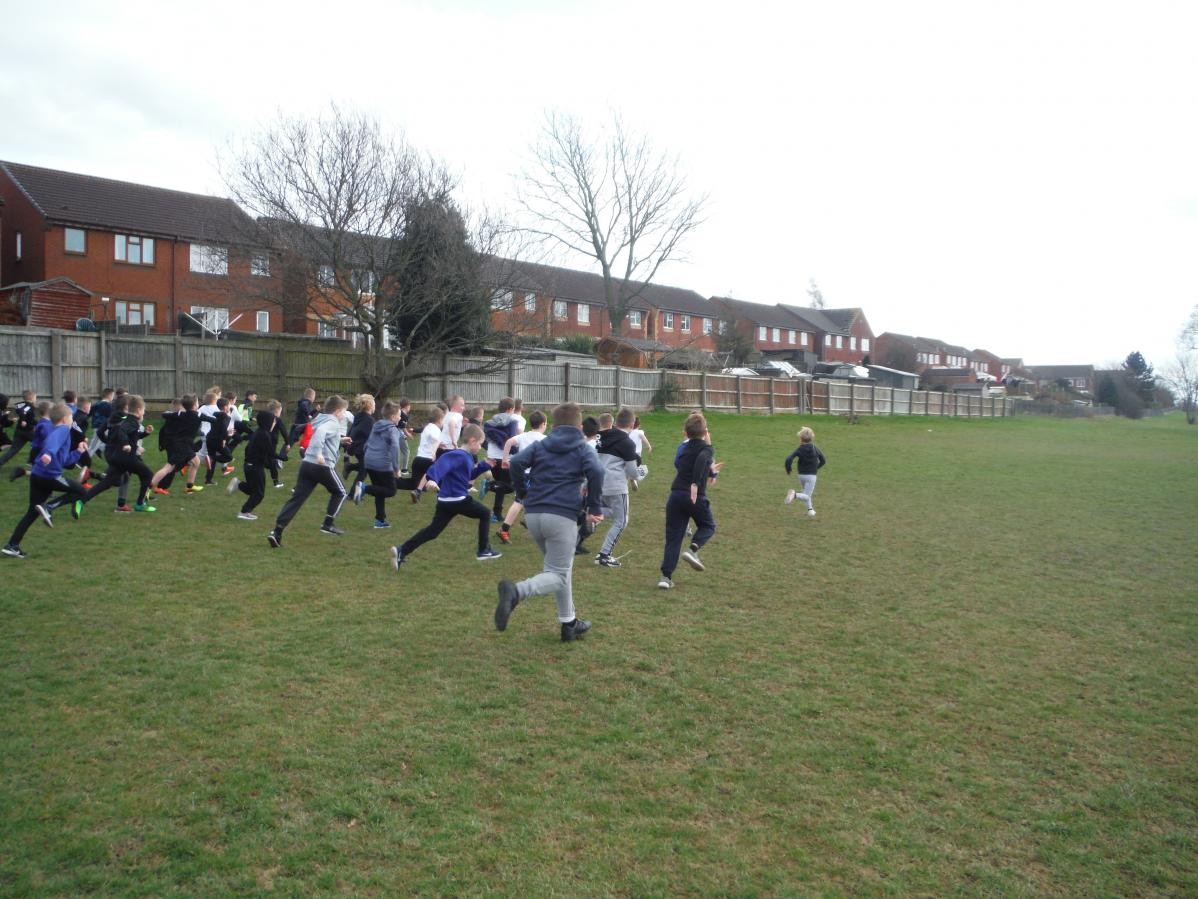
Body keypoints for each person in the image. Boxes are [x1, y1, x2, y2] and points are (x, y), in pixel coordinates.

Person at [493, 402, 604, 643]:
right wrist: (594, 507)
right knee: (558, 574)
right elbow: (597, 472)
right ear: (579, 426)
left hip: (533, 516)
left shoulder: (542, 444)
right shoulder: (582, 447)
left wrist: (523, 493)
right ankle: (516, 592)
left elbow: (516, 463)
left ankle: (569, 623)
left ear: (553, 425)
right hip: (561, 516)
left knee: (561, 568)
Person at [389, 423, 501, 569]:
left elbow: (468, 476)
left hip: (446, 501)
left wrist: (484, 466)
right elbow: (440, 465)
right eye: (480, 444)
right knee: (485, 513)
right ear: (472, 441)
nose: (480, 447)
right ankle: (483, 550)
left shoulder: (466, 457)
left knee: (432, 532)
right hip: (457, 499)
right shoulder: (458, 455)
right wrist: (433, 479)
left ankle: (401, 551)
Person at [2, 403, 91, 558]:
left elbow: (65, 461)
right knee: (81, 492)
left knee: (32, 512)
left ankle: (12, 545)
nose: (73, 419)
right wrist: (49, 453)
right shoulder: (63, 430)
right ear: (64, 419)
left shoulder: (57, 430)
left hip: (37, 475)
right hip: (50, 476)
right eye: (71, 416)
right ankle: (49, 507)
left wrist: (78, 451)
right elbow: (52, 444)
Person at [268, 395, 351, 547]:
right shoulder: (332, 422)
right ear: (337, 411)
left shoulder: (320, 419)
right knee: (341, 492)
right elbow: (321, 433)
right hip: (322, 466)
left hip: (307, 465)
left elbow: (321, 434)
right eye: (344, 412)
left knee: (296, 499)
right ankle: (328, 524)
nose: (344, 415)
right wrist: (319, 453)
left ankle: (276, 532)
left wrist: (339, 440)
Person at [657, 412, 723, 590]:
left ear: (685, 433)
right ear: (705, 432)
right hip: (694, 496)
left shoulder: (683, 448)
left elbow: (683, 465)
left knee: (673, 538)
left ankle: (665, 577)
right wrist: (695, 482)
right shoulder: (706, 449)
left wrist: (710, 472)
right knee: (708, 526)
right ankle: (692, 550)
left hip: (676, 495)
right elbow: (701, 459)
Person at [82, 394, 156, 513]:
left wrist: (145, 433)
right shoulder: (129, 420)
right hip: (126, 457)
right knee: (147, 475)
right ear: (138, 410)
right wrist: (125, 444)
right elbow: (122, 431)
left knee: (109, 482)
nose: (144, 412)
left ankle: (82, 499)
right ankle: (139, 504)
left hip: (117, 455)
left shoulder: (126, 419)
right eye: (143, 410)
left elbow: (132, 436)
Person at [594, 407, 642, 568]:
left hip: (599, 482)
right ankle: (604, 555)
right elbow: (632, 472)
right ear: (632, 424)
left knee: (610, 511)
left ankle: (590, 517)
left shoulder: (601, 436)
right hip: (616, 485)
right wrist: (641, 472)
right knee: (621, 521)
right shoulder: (627, 443)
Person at [496, 409, 547, 544]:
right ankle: (504, 529)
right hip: (531, 474)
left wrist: (505, 460)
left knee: (533, 498)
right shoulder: (544, 439)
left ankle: (528, 520)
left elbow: (508, 442)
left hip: (521, 472)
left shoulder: (523, 436)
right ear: (543, 424)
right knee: (520, 501)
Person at [356, 400, 405, 528]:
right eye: (399, 416)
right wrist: (396, 468)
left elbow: (367, 443)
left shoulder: (376, 425)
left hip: (369, 461)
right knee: (391, 490)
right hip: (382, 464)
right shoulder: (393, 429)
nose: (400, 418)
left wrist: (367, 456)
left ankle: (380, 520)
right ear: (393, 417)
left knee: (380, 490)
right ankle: (364, 488)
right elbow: (395, 447)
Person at [227, 408, 280, 520]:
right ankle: (244, 512)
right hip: (255, 467)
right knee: (259, 494)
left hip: (249, 466)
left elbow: (251, 449)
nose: (274, 424)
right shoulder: (264, 435)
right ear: (267, 422)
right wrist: (279, 461)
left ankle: (238, 485)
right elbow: (270, 454)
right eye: (273, 421)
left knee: (253, 490)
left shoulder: (258, 432)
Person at [481, 397, 520, 521]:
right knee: (510, 486)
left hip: (492, 457)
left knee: (500, 486)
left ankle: (496, 514)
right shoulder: (513, 422)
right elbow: (512, 439)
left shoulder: (489, 422)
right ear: (510, 409)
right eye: (513, 410)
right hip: (505, 458)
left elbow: (485, 439)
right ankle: (488, 485)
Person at [784, 426, 827, 517]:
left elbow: (789, 458)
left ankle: (810, 510)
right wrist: (816, 468)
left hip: (801, 475)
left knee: (806, 493)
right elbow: (823, 461)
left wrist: (788, 468)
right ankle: (794, 495)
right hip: (811, 476)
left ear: (800, 438)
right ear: (812, 438)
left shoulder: (800, 449)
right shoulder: (815, 448)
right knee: (806, 495)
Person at [409, 406, 446, 499]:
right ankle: (442, 493)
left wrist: (440, 445)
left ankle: (417, 492)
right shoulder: (436, 429)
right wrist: (434, 452)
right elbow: (436, 440)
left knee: (416, 484)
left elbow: (431, 441)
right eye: (443, 420)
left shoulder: (427, 428)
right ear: (439, 419)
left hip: (418, 460)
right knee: (437, 473)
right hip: (428, 459)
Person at [0, 390, 37, 471]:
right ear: (31, 398)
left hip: (19, 431)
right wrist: (24, 420)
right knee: (41, 444)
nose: (36, 399)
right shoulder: (30, 406)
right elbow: (24, 412)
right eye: (35, 397)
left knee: (13, 450)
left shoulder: (21, 404)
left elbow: (18, 409)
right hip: (28, 431)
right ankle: (30, 463)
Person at [344, 393, 376, 488]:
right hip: (362, 448)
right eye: (374, 403)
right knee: (363, 472)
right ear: (370, 406)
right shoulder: (369, 420)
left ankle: (350, 467)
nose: (375, 405)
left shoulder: (359, 416)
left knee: (366, 466)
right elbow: (371, 436)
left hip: (356, 446)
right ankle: (352, 494)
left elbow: (353, 431)